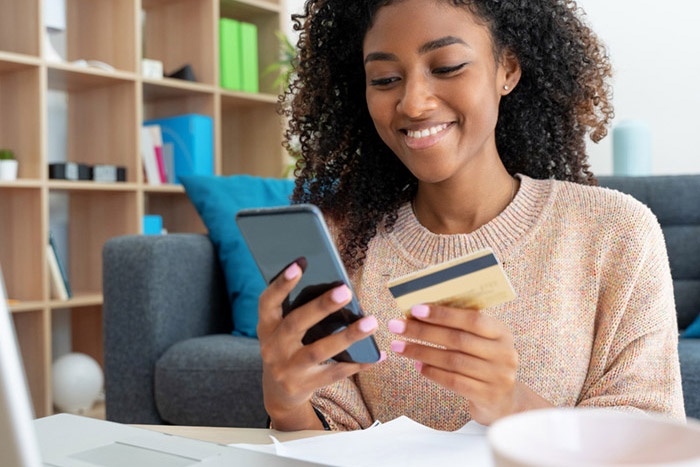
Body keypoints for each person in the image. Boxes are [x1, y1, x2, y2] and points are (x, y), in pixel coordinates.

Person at [257, 0, 685, 432]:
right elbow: (333, 441)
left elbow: (651, 437)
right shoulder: (347, 243)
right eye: (385, 79)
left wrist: (514, 405)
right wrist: (288, 406)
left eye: (446, 67)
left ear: (508, 70)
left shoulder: (616, 231)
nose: (414, 103)